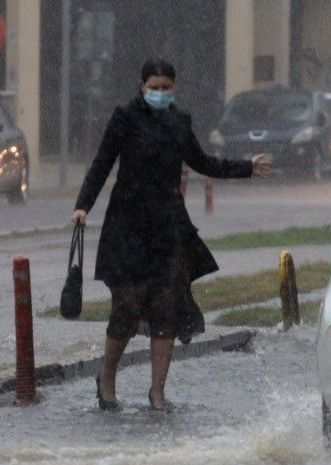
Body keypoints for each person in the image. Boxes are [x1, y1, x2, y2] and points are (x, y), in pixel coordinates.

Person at [71, 58, 272, 411]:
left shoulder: (180, 121)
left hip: (168, 226)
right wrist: (83, 205)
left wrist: (246, 168)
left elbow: (201, 161)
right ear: (141, 84)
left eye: (167, 88)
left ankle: (157, 391)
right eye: (155, 87)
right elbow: (102, 162)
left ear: (174, 88)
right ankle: (107, 379)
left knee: (166, 307)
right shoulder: (125, 117)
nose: (160, 93)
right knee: (127, 305)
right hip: (128, 225)